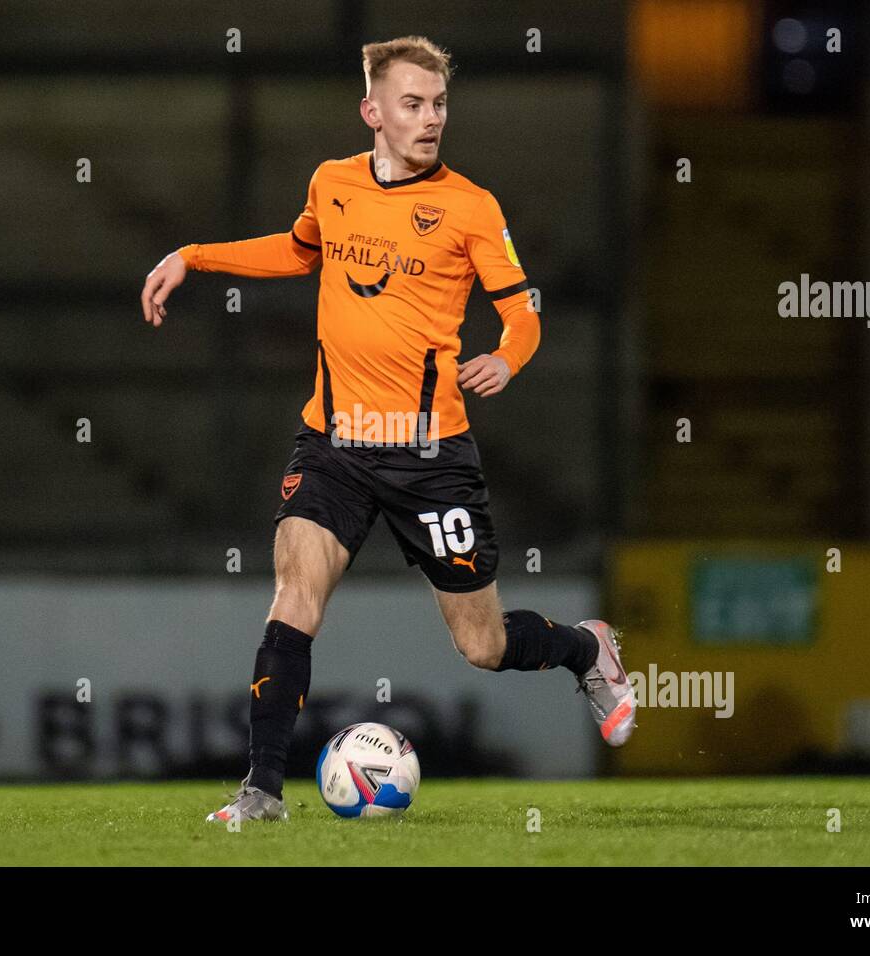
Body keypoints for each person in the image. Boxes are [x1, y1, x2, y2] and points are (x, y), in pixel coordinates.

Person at [139, 35, 636, 825]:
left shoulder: (471, 207)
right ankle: (262, 791)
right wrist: (193, 257)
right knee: (294, 597)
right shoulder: (332, 184)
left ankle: (583, 649)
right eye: (413, 104)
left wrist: (507, 359)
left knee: (482, 646)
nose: (431, 118)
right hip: (332, 444)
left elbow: (521, 312)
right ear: (373, 111)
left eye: (439, 104)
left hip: (431, 458)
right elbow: (298, 252)